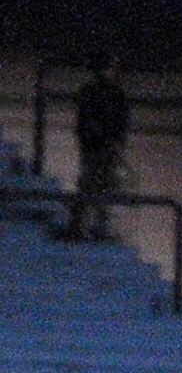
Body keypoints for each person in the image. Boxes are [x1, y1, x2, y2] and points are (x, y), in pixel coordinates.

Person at [71, 54, 127, 241]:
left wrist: (117, 143)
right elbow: (85, 122)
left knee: (105, 184)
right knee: (89, 183)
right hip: (94, 147)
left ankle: (99, 226)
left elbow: (122, 122)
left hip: (106, 148)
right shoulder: (90, 92)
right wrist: (103, 139)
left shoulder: (117, 94)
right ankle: (80, 225)